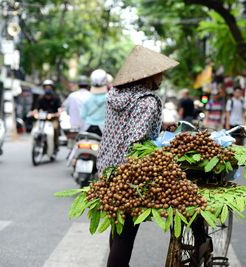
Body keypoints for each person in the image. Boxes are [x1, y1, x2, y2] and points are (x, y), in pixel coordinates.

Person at [96, 45, 178, 267]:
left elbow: (126, 127)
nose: (162, 76)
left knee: (118, 226)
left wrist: (161, 126)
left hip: (107, 169)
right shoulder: (148, 101)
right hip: (129, 174)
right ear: (149, 75)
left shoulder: (116, 95)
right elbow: (135, 141)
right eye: (159, 72)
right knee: (126, 233)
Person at [34, 79, 62, 150]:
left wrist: (56, 114)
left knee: (55, 128)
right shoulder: (40, 98)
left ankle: (55, 145)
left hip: (53, 119)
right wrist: (35, 113)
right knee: (35, 128)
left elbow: (60, 109)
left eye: (49, 87)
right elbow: (36, 108)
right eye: (46, 87)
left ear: (52, 88)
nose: (47, 89)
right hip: (43, 119)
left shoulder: (56, 98)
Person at [80, 69, 108, 136]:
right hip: (104, 129)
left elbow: (82, 115)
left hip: (88, 127)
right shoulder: (109, 98)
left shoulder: (86, 97)